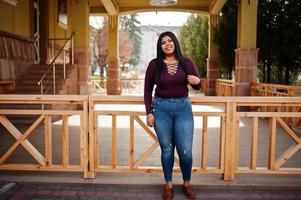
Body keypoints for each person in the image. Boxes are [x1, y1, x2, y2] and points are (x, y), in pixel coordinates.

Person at [144, 31, 202, 200]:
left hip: (183, 108)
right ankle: (168, 185)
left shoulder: (187, 63)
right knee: (167, 149)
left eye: (170, 41)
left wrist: (197, 82)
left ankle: (187, 183)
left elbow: (199, 85)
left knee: (186, 151)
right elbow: (148, 90)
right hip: (161, 109)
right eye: (163, 42)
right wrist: (149, 112)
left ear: (175, 42)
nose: (167, 44)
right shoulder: (154, 65)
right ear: (160, 46)